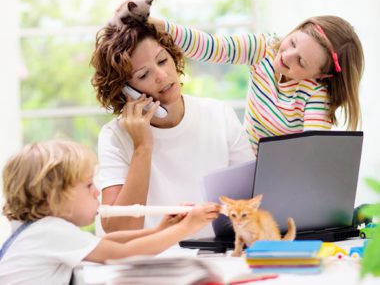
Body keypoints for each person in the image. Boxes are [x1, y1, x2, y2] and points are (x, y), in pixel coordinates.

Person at [90, 18, 254, 235]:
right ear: (125, 91)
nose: (161, 75)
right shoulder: (114, 137)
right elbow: (119, 231)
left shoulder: (218, 114)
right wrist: (142, 147)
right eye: (143, 75)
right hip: (150, 261)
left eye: (162, 60)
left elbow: (252, 203)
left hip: (217, 256)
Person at [0, 140, 220, 284]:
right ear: (54, 196)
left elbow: (110, 242)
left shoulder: (38, 231)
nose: (96, 192)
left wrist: (162, 229)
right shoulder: (49, 232)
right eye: (88, 185)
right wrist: (186, 227)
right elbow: (122, 254)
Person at [149, 15, 365, 154]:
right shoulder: (265, 47)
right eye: (292, 42)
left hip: (280, 174)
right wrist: (158, 24)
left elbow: (311, 154)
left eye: (301, 61)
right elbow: (212, 47)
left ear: (321, 76)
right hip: (242, 158)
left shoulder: (316, 95)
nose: (286, 56)